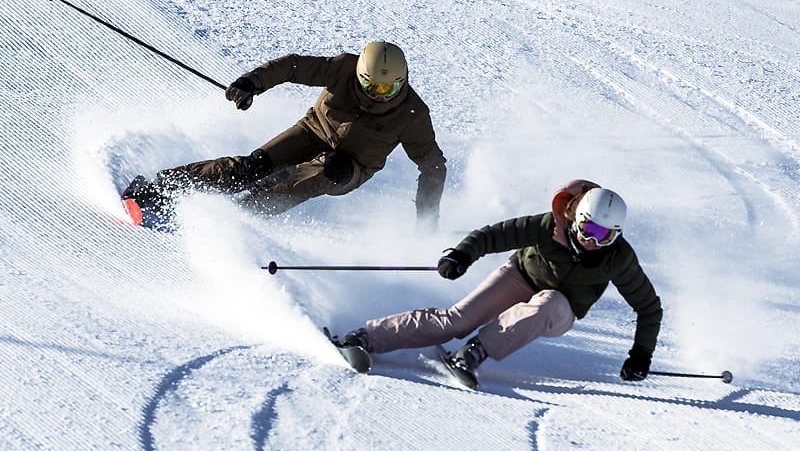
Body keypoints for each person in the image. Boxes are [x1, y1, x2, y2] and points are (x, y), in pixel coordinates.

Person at [336, 180, 663, 386]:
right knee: (456, 320)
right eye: (588, 229)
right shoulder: (550, 225)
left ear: (616, 235)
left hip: (559, 309)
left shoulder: (619, 258)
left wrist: (640, 355)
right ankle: (365, 337)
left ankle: (473, 354)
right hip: (520, 276)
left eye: (604, 235)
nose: (592, 240)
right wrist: (462, 254)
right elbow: (494, 235)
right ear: (576, 218)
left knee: (548, 302)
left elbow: (648, 308)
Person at [121, 42, 447, 230]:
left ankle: (235, 220)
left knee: (313, 176)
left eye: (389, 88)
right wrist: (252, 83)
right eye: (372, 86)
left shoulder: (412, 114)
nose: (380, 95)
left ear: (402, 81)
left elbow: (432, 166)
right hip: (312, 132)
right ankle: (160, 188)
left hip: (352, 167)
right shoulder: (342, 68)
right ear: (360, 75)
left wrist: (426, 218)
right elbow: (293, 67)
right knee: (249, 169)